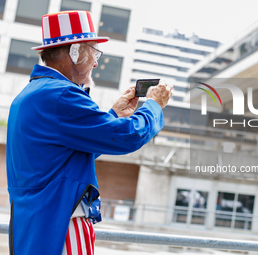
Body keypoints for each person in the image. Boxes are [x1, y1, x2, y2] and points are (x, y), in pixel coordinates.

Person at [6, 10, 173, 255]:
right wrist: (154, 106)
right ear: (75, 51)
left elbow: (68, 156)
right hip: (63, 222)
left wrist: (113, 115)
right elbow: (129, 136)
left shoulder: (30, 94)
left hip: (35, 222)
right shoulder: (62, 94)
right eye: (94, 52)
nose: (96, 62)